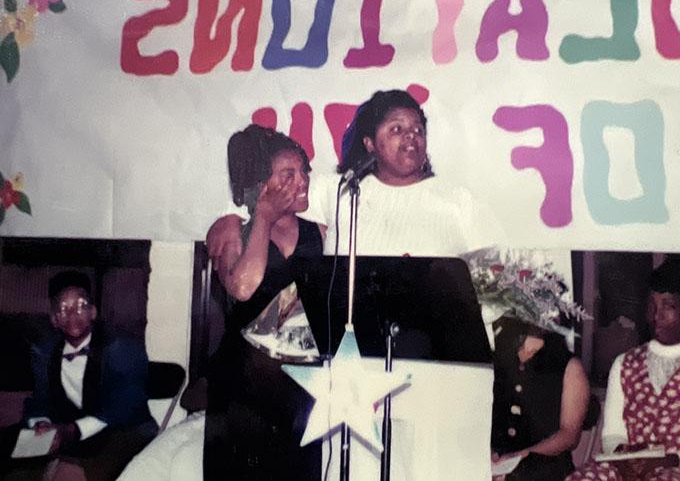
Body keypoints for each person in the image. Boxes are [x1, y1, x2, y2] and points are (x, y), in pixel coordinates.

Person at [208, 89, 506, 260]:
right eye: (397, 129)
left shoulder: (458, 200)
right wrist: (229, 218)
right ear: (370, 144)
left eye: (418, 130)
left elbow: (497, 280)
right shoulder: (340, 190)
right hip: (355, 349)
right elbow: (268, 193)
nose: (412, 137)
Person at [203, 125, 323, 480]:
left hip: (301, 385)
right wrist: (264, 219)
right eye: (289, 175)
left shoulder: (321, 233)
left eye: (304, 172)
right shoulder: (230, 233)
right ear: (260, 185)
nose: (302, 182)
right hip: (243, 387)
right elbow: (243, 286)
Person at [567, 258, 680, 480]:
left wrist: (664, 461)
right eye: (652, 305)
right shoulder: (624, 364)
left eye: (669, 306)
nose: (657, 316)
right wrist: (625, 456)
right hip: (630, 467)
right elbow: (613, 434)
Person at [0, 271, 157, 481]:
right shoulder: (45, 352)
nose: (73, 313)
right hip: (68, 428)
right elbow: (41, 398)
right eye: (64, 309)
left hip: (124, 430)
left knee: (70, 472)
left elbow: (123, 405)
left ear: (93, 312)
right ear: (54, 319)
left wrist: (72, 430)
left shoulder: (122, 348)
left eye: (81, 305)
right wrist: (42, 423)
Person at [489, 315, 590, 481]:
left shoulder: (570, 366)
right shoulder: (498, 358)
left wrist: (521, 456)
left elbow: (569, 436)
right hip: (495, 467)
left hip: (545, 471)